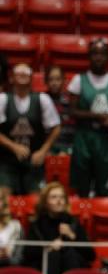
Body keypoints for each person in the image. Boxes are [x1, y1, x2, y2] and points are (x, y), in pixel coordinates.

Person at [68, 37, 108, 196]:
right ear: (89, 56)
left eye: (102, 54)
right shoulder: (78, 80)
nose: (98, 57)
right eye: (94, 53)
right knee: (82, 186)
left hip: (106, 138)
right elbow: (72, 111)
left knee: (106, 186)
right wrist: (96, 116)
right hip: (84, 137)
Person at [23, 182, 95, 274]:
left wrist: (72, 236)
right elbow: (28, 253)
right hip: (45, 268)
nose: (59, 201)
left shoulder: (73, 222)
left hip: (71, 266)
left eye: (62, 197)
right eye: (54, 197)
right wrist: (49, 247)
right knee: (53, 255)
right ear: (45, 202)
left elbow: (91, 255)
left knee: (69, 253)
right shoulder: (37, 224)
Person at [0, 63, 61, 195]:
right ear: (11, 78)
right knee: (3, 199)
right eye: (19, 73)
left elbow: (56, 128)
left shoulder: (42, 99)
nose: (22, 75)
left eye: (26, 73)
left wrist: (43, 151)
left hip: (34, 161)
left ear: (32, 77)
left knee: (36, 202)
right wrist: (13, 146)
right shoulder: (3, 99)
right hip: (7, 161)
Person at [45, 65, 76, 157]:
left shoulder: (71, 101)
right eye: (51, 79)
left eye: (58, 79)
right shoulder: (41, 100)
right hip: (46, 145)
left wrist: (66, 150)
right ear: (46, 82)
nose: (54, 83)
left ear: (64, 81)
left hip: (67, 144)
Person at [0, 187, 23, 266]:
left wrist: (7, 256)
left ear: (4, 202)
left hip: (8, 269)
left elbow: (18, 259)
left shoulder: (15, 226)